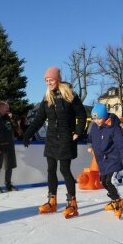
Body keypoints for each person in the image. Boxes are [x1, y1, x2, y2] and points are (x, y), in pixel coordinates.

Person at [23, 67, 87, 219]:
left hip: (66, 137)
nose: (48, 83)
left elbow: (82, 114)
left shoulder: (70, 95)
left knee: (64, 170)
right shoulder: (47, 97)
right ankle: (52, 201)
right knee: (51, 169)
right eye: (46, 81)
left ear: (57, 79)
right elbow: (39, 119)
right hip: (51, 138)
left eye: (51, 80)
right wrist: (27, 133)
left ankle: (72, 203)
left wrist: (78, 131)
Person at [88, 103, 123, 219]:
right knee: (103, 181)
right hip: (102, 161)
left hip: (114, 159)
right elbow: (90, 136)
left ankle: (117, 202)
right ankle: (114, 200)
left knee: (110, 181)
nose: (97, 121)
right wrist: (89, 144)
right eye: (95, 118)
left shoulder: (114, 128)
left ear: (105, 116)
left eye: (99, 118)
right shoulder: (95, 126)